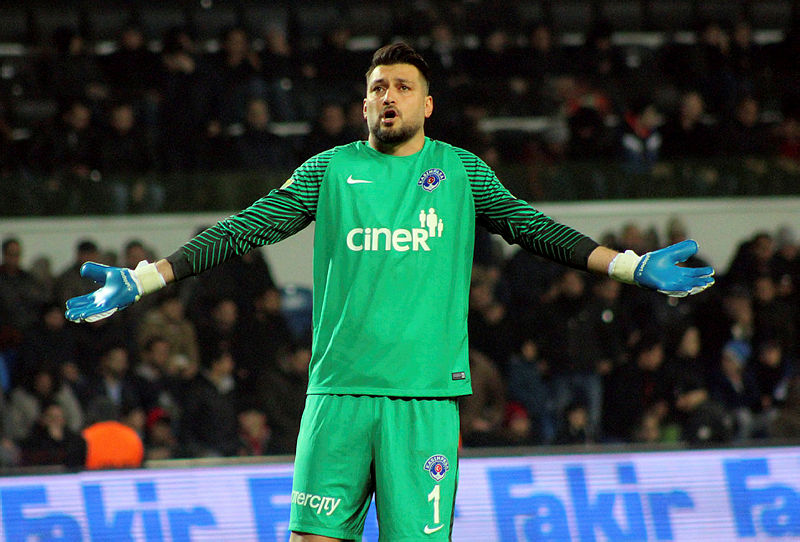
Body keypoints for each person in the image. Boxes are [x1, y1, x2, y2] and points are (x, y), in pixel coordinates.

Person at [64, 43, 715, 541]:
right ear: (365, 104)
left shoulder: (460, 172)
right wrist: (145, 277)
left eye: (404, 86)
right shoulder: (329, 170)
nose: (389, 96)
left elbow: (531, 227)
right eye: (378, 87)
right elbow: (246, 228)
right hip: (338, 395)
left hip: (423, 400)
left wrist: (629, 265)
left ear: (427, 105)